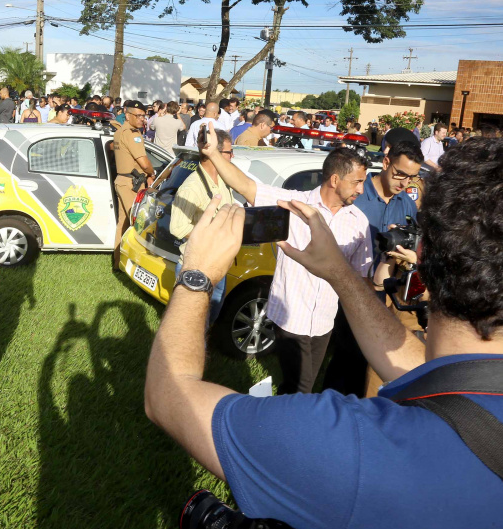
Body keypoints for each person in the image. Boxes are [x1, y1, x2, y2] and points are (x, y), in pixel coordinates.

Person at [145, 137, 503, 529]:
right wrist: (338, 270)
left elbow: (167, 396)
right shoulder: (467, 388)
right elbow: (413, 365)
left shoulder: (348, 444)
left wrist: (196, 276)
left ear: (421, 254)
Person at [203, 122, 373, 394]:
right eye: (357, 182)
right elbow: (247, 186)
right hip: (290, 318)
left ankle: (279, 419)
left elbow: (360, 278)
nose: (362, 190)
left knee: (298, 387)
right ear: (335, 180)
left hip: (323, 322)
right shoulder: (293, 205)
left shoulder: (358, 222)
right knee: (302, 387)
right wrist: (213, 154)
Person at [322, 139, 424, 398]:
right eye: (400, 174)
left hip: (383, 290)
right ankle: (331, 403)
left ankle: (355, 406)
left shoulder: (407, 204)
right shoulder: (355, 192)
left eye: (411, 178)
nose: (404, 183)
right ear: (386, 162)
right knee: (345, 354)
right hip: (345, 286)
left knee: (367, 358)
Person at [169, 128, 234, 322]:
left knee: (207, 322)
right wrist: (211, 234)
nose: (232, 156)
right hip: (196, 267)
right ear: (214, 151)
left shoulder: (222, 179)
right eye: (230, 152)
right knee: (193, 324)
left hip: (217, 264)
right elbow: (177, 228)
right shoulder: (192, 186)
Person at [112, 100, 156, 270]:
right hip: (132, 183)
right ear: (127, 115)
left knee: (122, 224)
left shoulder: (120, 131)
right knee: (138, 224)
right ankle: (134, 265)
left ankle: (118, 263)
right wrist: (151, 173)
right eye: (138, 116)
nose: (142, 119)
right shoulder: (132, 134)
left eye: (144, 116)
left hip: (123, 181)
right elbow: (144, 163)